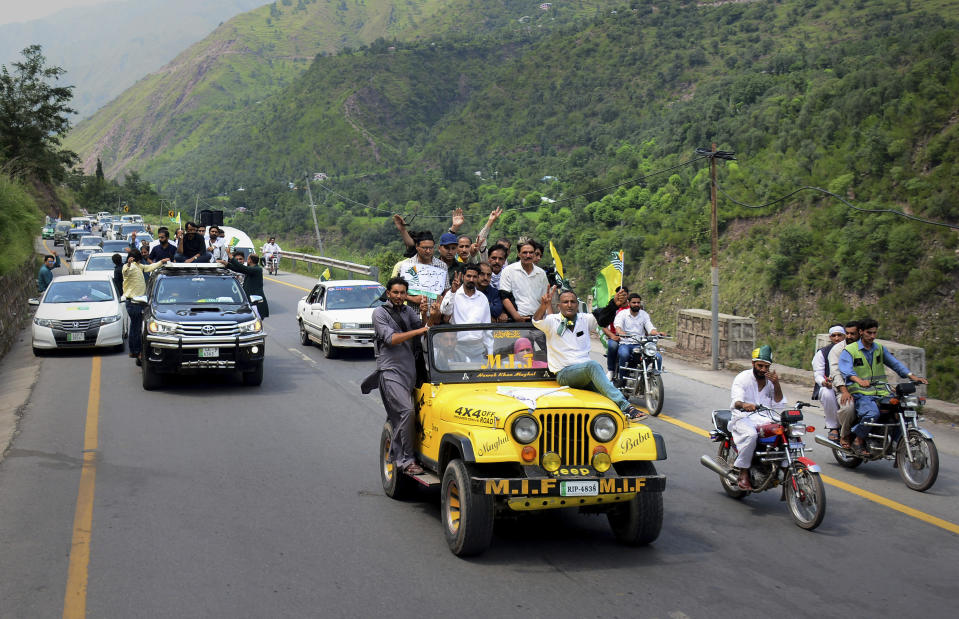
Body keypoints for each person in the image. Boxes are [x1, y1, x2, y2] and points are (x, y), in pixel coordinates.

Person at [532, 287, 645, 420]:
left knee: (607, 396)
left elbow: (602, 318)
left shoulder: (584, 319)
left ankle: (622, 419)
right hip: (565, 373)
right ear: (559, 306)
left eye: (573, 302)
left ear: (577, 305)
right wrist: (543, 306)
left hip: (585, 373)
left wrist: (614, 304)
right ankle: (627, 407)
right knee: (593, 366)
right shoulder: (552, 320)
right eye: (565, 302)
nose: (569, 305)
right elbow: (536, 320)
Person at [365, 277, 430, 475]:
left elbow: (424, 330)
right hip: (391, 372)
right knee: (407, 412)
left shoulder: (409, 311)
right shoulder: (380, 313)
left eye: (403, 293)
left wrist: (426, 314)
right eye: (396, 293)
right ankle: (405, 460)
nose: (399, 296)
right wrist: (420, 329)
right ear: (388, 293)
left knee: (409, 415)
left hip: (410, 372)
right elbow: (391, 338)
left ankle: (408, 453)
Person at [838, 318, 927, 455]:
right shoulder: (850, 350)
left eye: (874, 333)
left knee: (902, 410)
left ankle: (894, 441)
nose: (872, 336)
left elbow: (895, 364)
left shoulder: (879, 348)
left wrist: (912, 376)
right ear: (861, 332)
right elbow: (846, 370)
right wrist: (858, 380)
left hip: (881, 391)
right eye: (869, 333)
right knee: (872, 414)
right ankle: (858, 440)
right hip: (861, 393)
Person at [729, 345, 786, 490]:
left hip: (765, 418)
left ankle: (783, 468)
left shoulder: (770, 381)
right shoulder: (742, 378)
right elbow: (736, 401)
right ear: (753, 363)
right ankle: (743, 472)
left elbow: (779, 402)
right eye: (760, 366)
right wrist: (744, 404)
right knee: (751, 435)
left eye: (766, 367)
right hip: (743, 417)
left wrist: (776, 383)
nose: (763, 370)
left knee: (786, 431)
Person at [439, 265, 492, 363]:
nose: (471, 279)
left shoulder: (482, 298)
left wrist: (490, 351)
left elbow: (487, 328)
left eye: (474, 277)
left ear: (478, 278)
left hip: (479, 348)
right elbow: (444, 311)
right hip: (457, 347)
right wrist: (452, 292)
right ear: (463, 277)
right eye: (468, 276)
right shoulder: (454, 294)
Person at [122, 250, 169, 361]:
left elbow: (149, 268)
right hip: (134, 302)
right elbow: (126, 272)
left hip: (136, 302)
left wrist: (161, 262)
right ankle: (137, 351)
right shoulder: (129, 266)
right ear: (138, 259)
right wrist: (128, 264)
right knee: (137, 328)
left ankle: (134, 351)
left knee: (135, 327)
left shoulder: (139, 266)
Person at [612, 293, 666, 379]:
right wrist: (621, 333)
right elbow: (618, 327)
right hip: (626, 343)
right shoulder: (622, 314)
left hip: (641, 344)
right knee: (624, 354)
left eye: (638, 302)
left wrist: (658, 333)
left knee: (657, 357)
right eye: (634, 302)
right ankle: (621, 379)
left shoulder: (644, 314)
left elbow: (650, 328)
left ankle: (655, 378)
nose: (636, 304)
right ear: (629, 303)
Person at [391, 231, 448, 306]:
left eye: (431, 248)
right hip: (411, 313)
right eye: (424, 248)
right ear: (417, 247)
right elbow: (395, 292)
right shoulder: (406, 266)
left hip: (435, 314)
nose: (428, 251)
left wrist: (441, 304)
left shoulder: (442, 266)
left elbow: (446, 291)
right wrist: (412, 299)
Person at [812, 323, 846, 443]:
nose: (837, 338)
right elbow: (818, 373)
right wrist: (823, 382)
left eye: (840, 335)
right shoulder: (823, 352)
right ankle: (833, 427)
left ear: (845, 336)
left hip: (848, 385)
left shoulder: (850, 350)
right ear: (830, 337)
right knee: (827, 393)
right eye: (834, 335)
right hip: (830, 386)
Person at [499, 240, 548, 322]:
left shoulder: (541, 273)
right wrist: (517, 317)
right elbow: (504, 297)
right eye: (525, 252)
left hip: (538, 320)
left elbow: (545, 300)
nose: (528, 255)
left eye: (531, 252)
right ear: (519, 254)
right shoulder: (508, 271)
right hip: (516, 320)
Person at [830, 321, 860, 448]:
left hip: (864, 388)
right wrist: (844, 390)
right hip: (843, 388)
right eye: (847, 333)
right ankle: (845, 435)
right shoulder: (837, 350)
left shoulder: (867, 348)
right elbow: (835, 372)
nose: (849, 336)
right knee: (848, 407)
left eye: (852, 334)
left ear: (860, 333)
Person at [597, 287, 629, 379]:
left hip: (631, 338)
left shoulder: (632, 308)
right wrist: (612, 336)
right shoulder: (612, 310)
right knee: (613, 346)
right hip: (616, 337)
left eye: (624, 295)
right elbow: (603, 326)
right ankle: (611, 370)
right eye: (619, 295)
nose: (621, 297)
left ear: (628, 296)